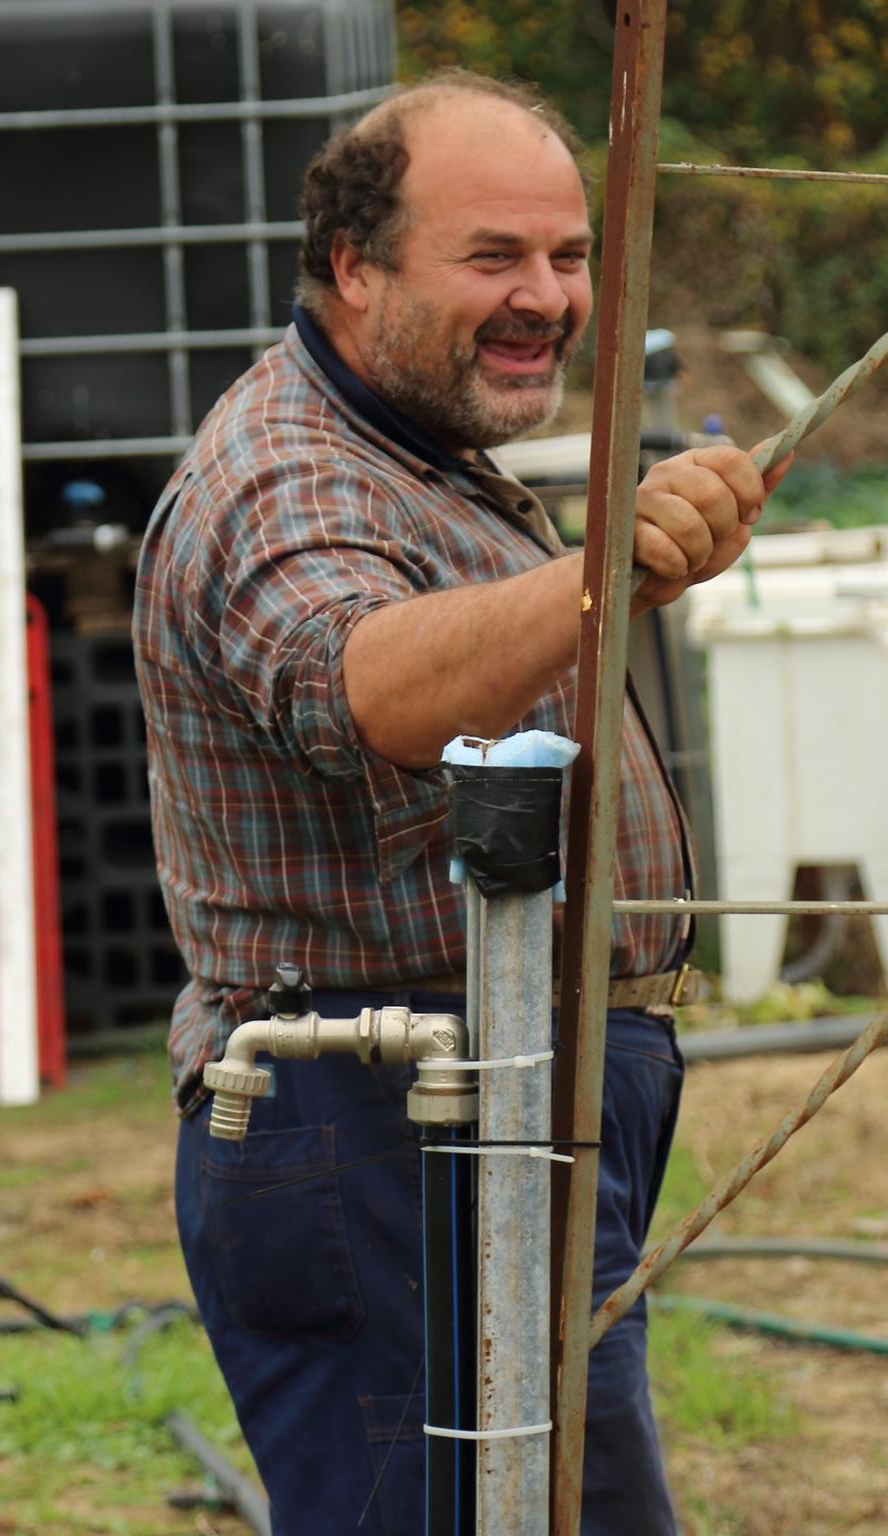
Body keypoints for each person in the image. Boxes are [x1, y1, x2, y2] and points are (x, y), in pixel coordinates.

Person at [132, 69, 789, 1536]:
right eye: (493, 257)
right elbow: (366, 683)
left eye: (568, 256)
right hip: (382, 1135)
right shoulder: (286, 475)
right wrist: (604, 565)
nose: (546, 297)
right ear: (354, 269)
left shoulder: (413, 450)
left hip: (482, 1113)